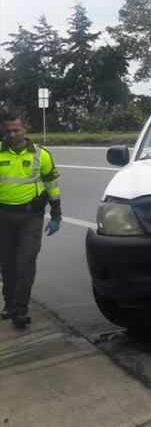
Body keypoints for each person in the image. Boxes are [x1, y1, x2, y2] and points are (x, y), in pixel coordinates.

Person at [0, 111, 61, 330]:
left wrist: (56, 214)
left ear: (25, 129)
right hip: (3, 216)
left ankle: (20, 309)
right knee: (7, 263)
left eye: (16, 130)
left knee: (25, 261)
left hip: (30, 217)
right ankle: (10, 302)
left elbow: (52, 185)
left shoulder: (41, 155)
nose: (12, 134)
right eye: (7, 131)